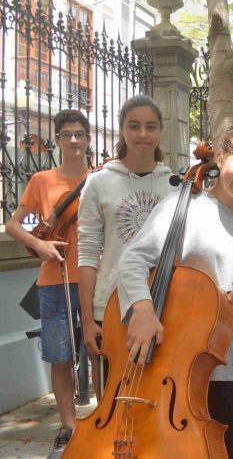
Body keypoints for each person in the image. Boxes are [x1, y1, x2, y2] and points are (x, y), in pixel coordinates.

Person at [118, 121, 233, 458]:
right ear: (220, 157)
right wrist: (143, 308)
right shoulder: (183, 206)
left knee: (218, 448)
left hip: (232, 360)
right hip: (174, 356)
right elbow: (133, 260)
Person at [78, 95, 175, 398]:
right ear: (122, 129)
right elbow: (88, 251)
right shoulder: (98, 183)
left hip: (165, 301)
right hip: (111, 305)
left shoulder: (177, 183)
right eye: (134, 126)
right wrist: (87, 317)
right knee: (113, 394)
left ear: (160, 130)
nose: (143, 134)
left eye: (150, 126)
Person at [6, 110, 90, 456]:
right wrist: (39, 244)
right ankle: (68, 424)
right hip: (54, 281)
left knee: (100, 352)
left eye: (79, 134)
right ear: (57, 140)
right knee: (59, 356)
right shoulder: (41, 180)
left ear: (87, 139)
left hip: (92, 278)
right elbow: (14, 225)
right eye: (66, 134)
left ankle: (101, 418)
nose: (73, 140)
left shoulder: (101, 178)